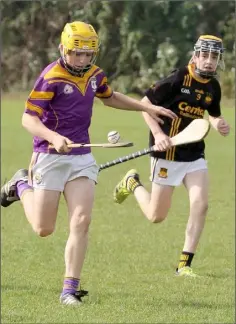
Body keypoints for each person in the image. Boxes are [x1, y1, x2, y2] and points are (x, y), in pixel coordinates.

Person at [0, 21, 177, 305]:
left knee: (81, 221)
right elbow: (28, 118)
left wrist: (146, 106)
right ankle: (22, 184)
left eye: (88, 54)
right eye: (76, 53)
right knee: (43, 229)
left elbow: (109, 96)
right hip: (49, 156)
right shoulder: (51, 77)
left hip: (81, 159)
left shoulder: (95, 74)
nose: (82, 60)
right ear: (63, 49)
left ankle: (69, 289)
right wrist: (53, 137)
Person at [113, 35, 230, 277]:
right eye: (205, 55)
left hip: (194, 154)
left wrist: (218, 123)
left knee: (201, 205)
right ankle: (132, 183)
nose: (209, 61)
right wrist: (157, 133)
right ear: (196, 55)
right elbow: (144, 103)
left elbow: (214, 114)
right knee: (156, 216)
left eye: (214, 57)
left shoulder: (213, 87)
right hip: (166, 153)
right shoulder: (179, 78)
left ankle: (184, 265)